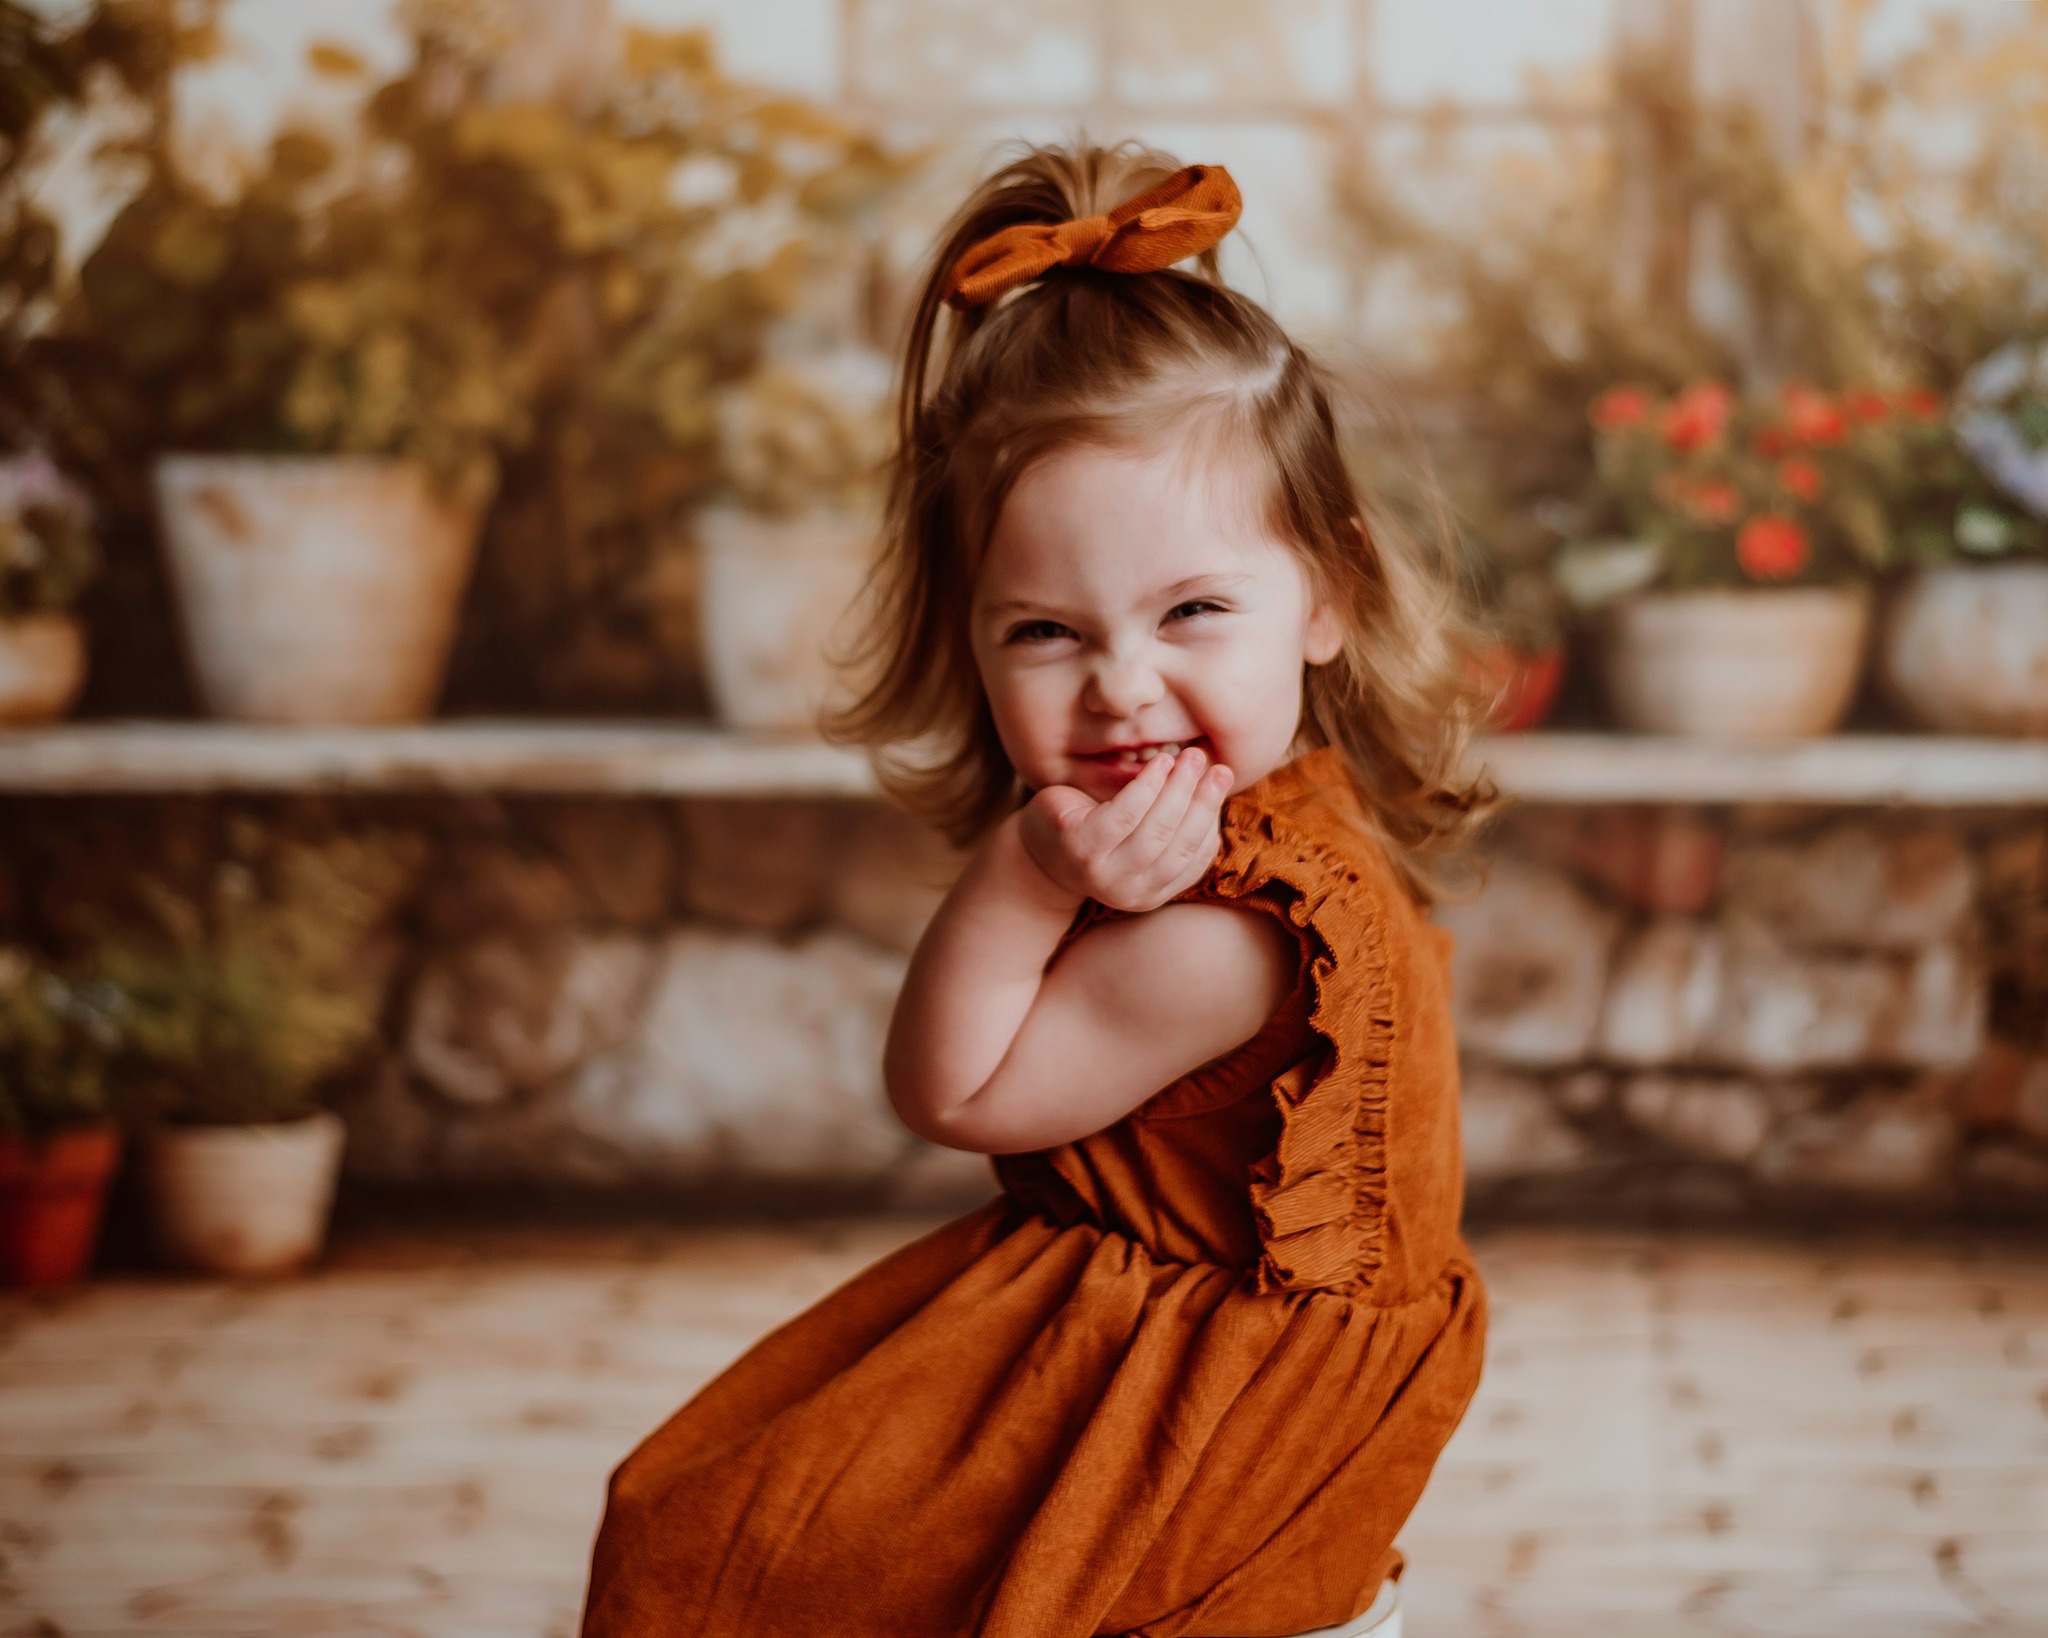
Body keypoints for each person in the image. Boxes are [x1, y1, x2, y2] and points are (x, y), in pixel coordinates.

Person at [581, 139, 1504, 1638]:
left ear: (1328, 595)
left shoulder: (1226, 941)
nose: (1123, 685)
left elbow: (951, 1088)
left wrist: (1021, 869)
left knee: (714, 1540)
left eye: (1193, 609)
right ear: (973, 637)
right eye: (1045, 634)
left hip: (1186, 1452)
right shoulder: (1289, 815)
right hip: (1190, 1398)